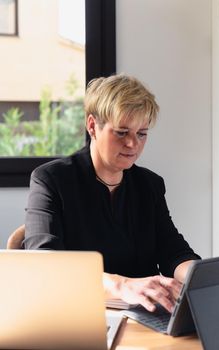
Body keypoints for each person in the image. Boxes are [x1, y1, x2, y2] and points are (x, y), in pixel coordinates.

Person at [24, 74, 200, 313]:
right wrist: (122, 285)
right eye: (121, 132)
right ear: (92, 126)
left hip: (143, 314)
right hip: (77, 314)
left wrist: (199, 276)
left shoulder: (150, 185)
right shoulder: (51, 180)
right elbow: (46, 264)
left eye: (142, 133)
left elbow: (173, 252)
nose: (132, 144)